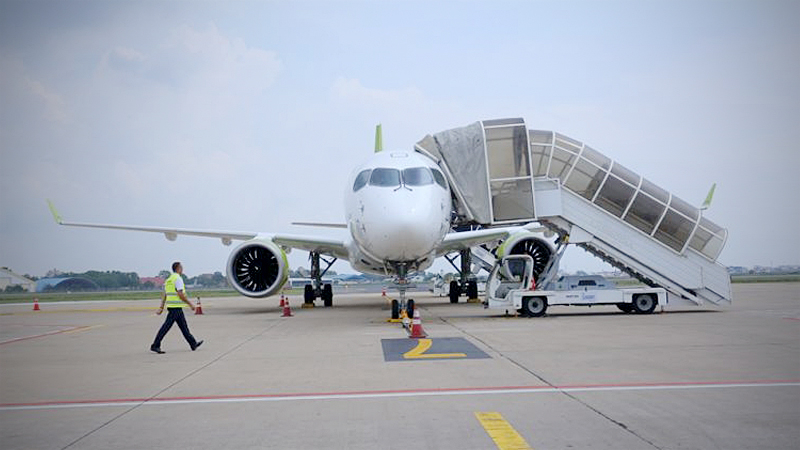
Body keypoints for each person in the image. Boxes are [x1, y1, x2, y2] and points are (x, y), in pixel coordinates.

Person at [150, 262, 203, 354]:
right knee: (166, 327)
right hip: (176, 307)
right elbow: (180, 294)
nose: (182, 269)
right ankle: (155, 345)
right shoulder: (178, 279)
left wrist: (161, 307)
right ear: (178, 268)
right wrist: (190, 304)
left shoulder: (169, 280)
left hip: (172, 306)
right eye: (181, 267)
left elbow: (165, 294)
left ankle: (193, 343)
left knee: (184, 327)